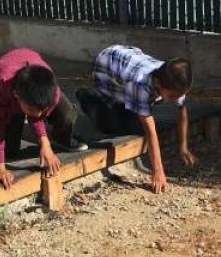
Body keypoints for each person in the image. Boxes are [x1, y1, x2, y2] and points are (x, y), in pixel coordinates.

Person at [76, 45, 198, 193]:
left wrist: (183, 147)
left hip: (125, 67)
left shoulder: (175, 78)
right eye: (172, 96)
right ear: (159, 83)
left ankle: (121, 107)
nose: (174, 99)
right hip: (105, 70)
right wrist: (158, 171)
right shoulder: (140, 84)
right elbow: (150, 130)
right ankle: (87, 99)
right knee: (112, 126)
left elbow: (182, 109)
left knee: (133, 124)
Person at [0, 48, 87, 189]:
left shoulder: (51, 91)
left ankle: (61, 138)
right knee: (9, 152)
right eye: (32, 110)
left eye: (42, 110)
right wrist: (0, 169)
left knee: (66, 115)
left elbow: (36, 117)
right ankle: (12, 125)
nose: (38, 115)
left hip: (29, 76)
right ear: (16, 95)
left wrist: (45, 142)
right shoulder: (1, 86)